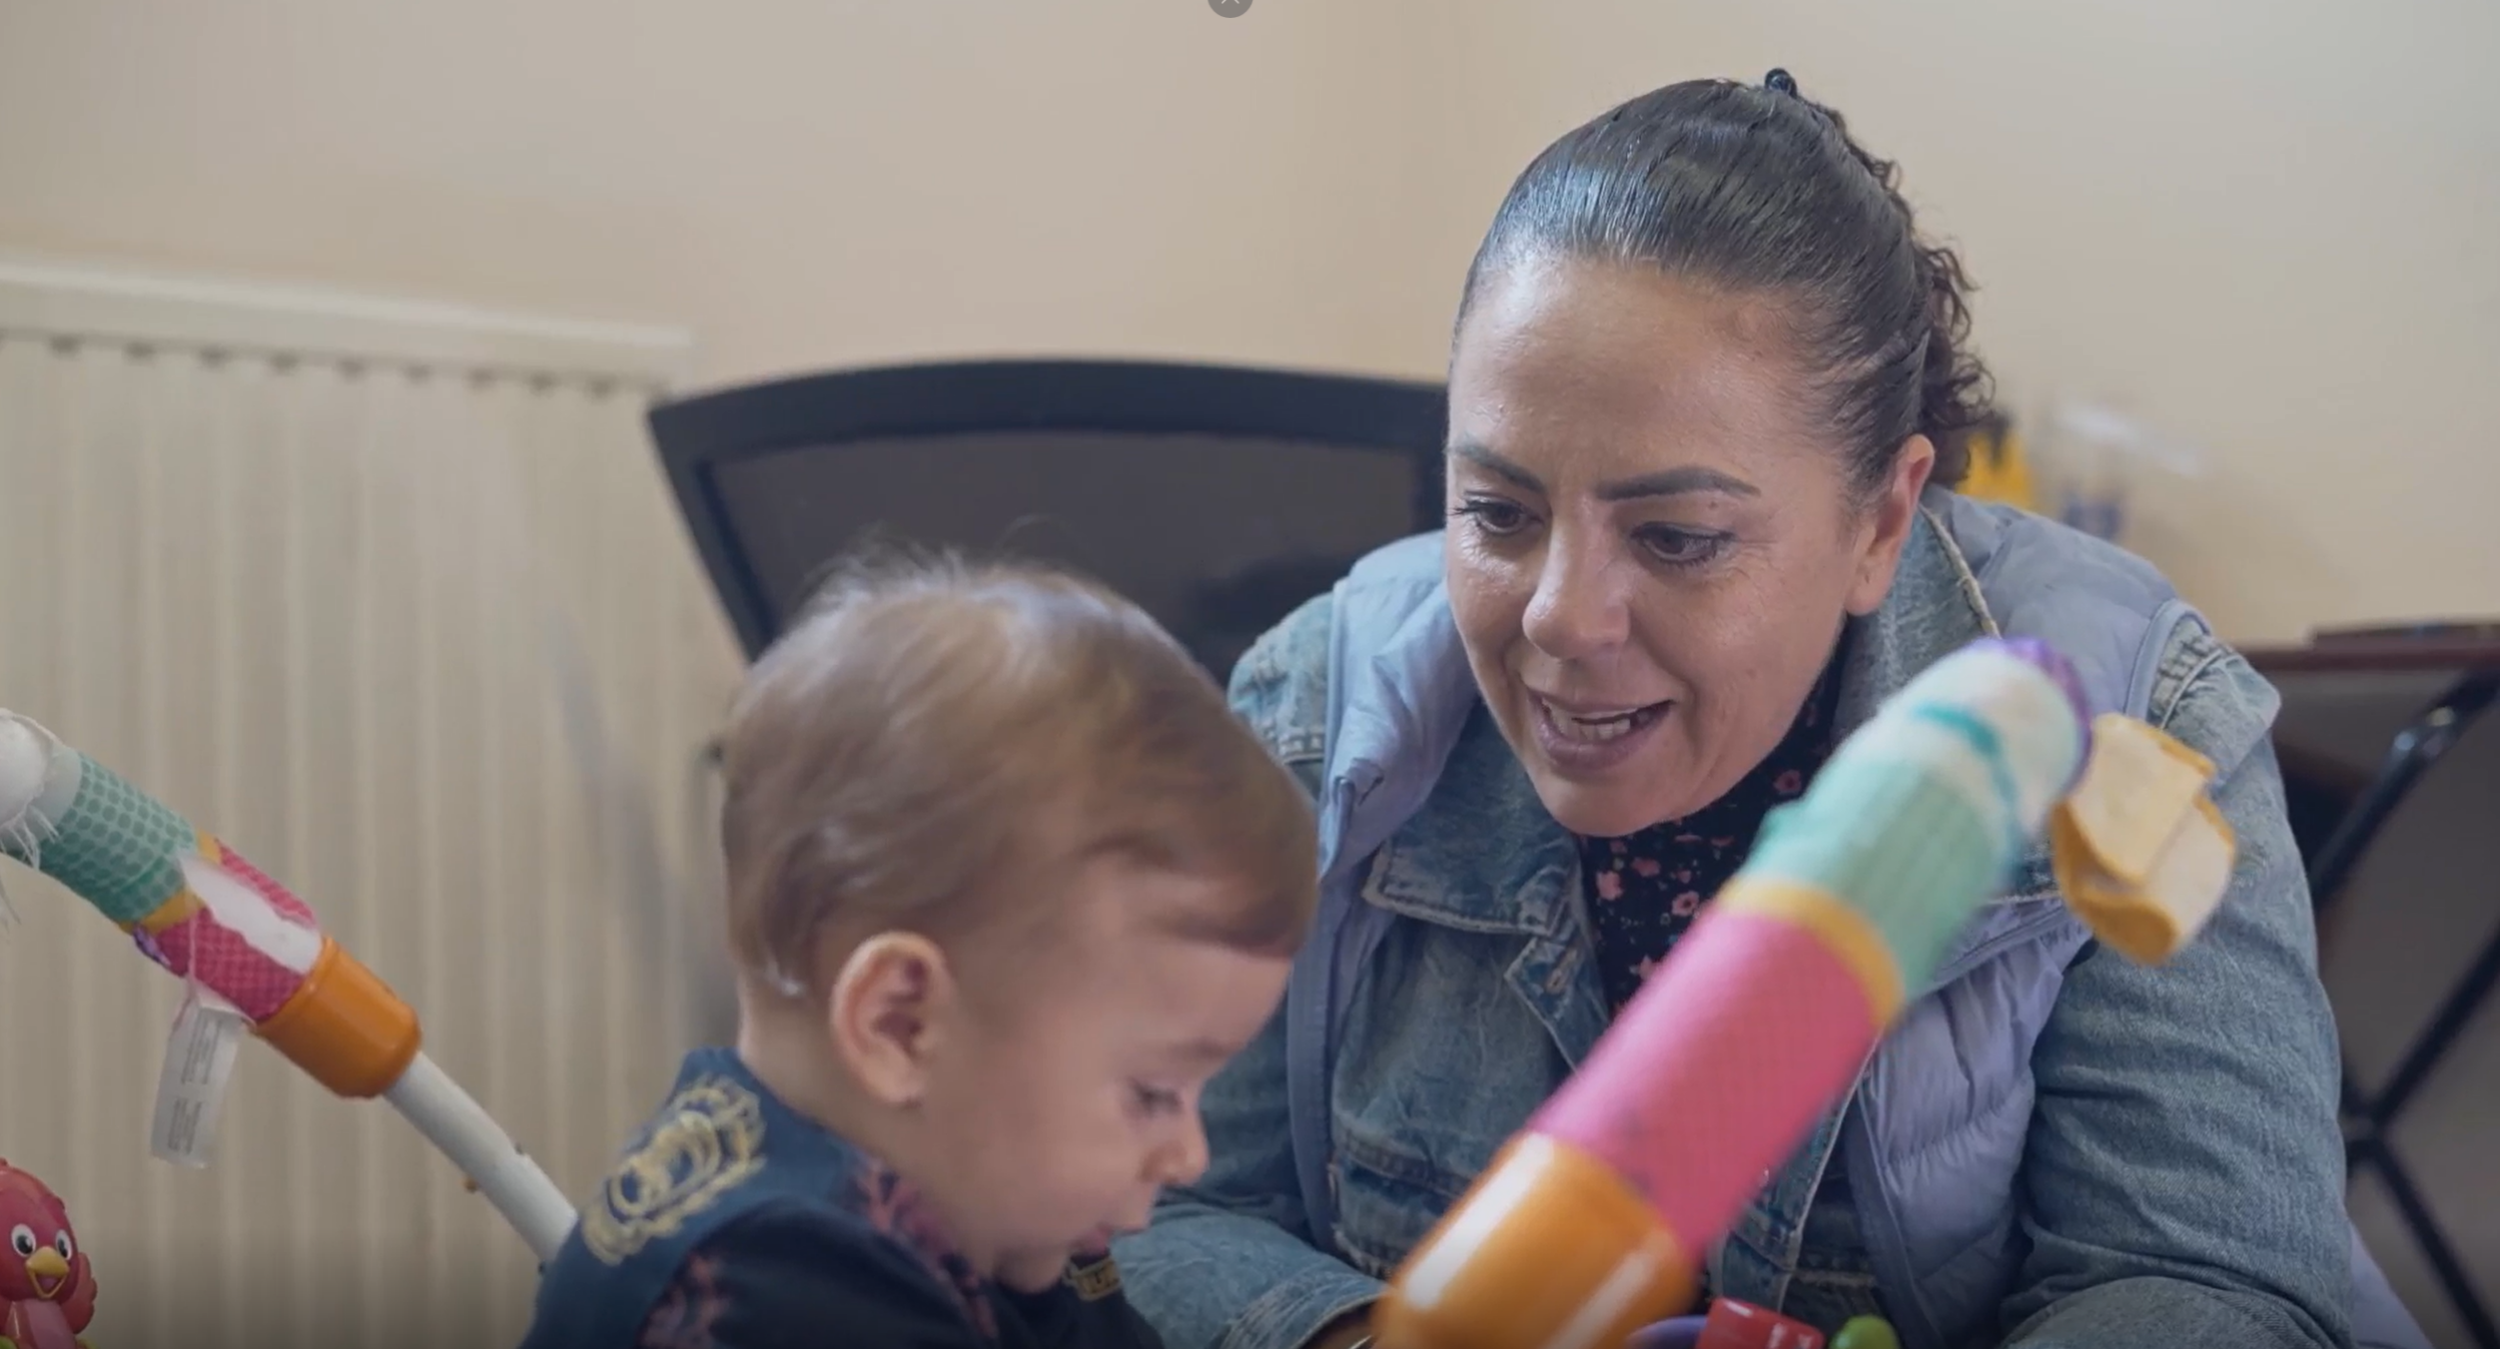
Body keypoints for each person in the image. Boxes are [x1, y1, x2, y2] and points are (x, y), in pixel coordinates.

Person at [1112, 71, 2432, 1349]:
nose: (1564, 617)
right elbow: (1162, 1204)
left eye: (1679, 536)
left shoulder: (2139, 717)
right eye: (1498, 513)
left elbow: (2206, 1284)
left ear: (1883, 520)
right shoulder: (1319, 717)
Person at [520, 551, 1320, 1349]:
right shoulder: (784, 1286)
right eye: (1153, 1092)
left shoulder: (986, 1213)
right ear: (902, 1022)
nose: (1189, 1154)